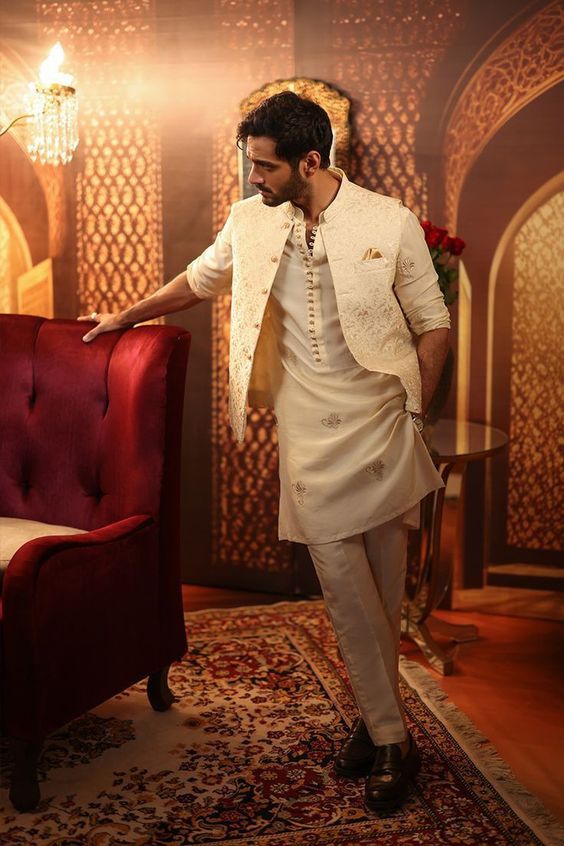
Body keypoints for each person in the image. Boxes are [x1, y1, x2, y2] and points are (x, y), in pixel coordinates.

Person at [81, 90, 450, 813]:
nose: (253, 177)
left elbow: (432, 325)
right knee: (347, 595)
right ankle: (392, 735)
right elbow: (198, 279)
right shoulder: (250, 222)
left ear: (310, 161)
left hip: (382, 421)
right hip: (309, 432)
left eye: (265, 166)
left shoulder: (389, 220)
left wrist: (416, 408)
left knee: (382, 585)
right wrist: (125, 314)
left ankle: (381, 729)